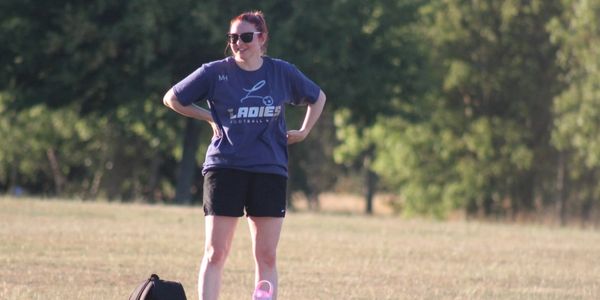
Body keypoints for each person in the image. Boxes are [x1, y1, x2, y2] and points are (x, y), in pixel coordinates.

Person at [162, 10, 326, 300]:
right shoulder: (215, 72)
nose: (239, 43)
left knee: (267, 256)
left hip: (269, 169)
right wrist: (208, 117)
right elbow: (172, 98)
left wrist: (303, 131)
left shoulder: (281, 72)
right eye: (233, 38)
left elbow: (318, 97)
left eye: (246, 37)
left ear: (262, 38)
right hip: (225, 168)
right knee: (215, 253)